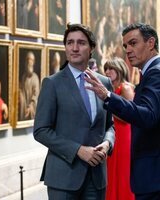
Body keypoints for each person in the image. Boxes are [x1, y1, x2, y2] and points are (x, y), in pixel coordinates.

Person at [33, 23, 115, 200]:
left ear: (92, 48)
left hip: (97, 177)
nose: (75, 48)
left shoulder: (105, 83)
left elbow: (110, 126)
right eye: (70, 43)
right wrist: (78, 150)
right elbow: (41, 131)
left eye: (81, 43)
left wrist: (107, 144)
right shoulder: (52, 84)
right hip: (63, 178)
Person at [85, 23, 160, 200]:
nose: (128, 50)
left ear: (151, 43)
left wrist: (108, 96)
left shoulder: (155, 73)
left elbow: (148, 116)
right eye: (125, 46)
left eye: (133, 43)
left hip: (153, 173)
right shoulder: (150, 72)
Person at [103, 57, 135, 200]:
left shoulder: (126, 87)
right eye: (106, 69)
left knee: (122, 172)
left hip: (123, 135)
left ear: (119, 69)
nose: (107, 72)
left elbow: (129, 116)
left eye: (111, 69)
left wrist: (107, 107)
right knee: (111, 172)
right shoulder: (110, 88)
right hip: (112, 133)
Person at [19, 51, 40, 121]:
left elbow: (36, 95)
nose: (29, 62)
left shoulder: (35, 78)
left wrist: (30, 107)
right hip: (24, 109)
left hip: (31, 111)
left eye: (31, 60)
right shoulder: (24, 77)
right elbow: (22, 91)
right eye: (28, 59)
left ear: (33, 62)